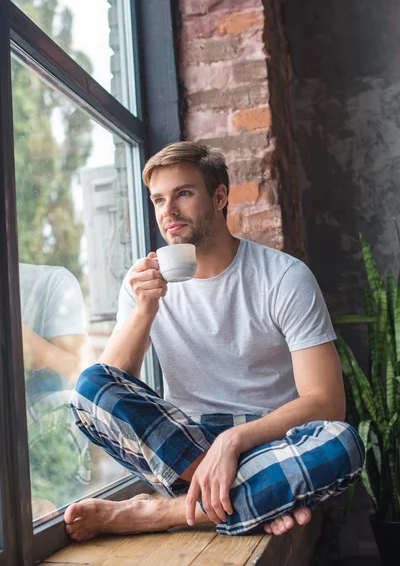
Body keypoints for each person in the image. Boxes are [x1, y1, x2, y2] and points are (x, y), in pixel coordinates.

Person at [64, 142, 364, 542]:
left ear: (220, 196)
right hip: (184, 445)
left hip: (270, 440)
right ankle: (257, 497)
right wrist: (144, 311)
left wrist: (233, 441)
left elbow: (327, 402)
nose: (167, 211)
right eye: (158, 199)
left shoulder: (284, 277)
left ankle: (156, 512)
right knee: (86, 386)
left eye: (183, 194)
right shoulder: (142, 285)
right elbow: (109, 388)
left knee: (344, 444)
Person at [20, 263, 92, 519]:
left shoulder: (50, 283)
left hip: (41, 448)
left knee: (56, 391)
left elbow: (79, 376)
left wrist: (23, 341)